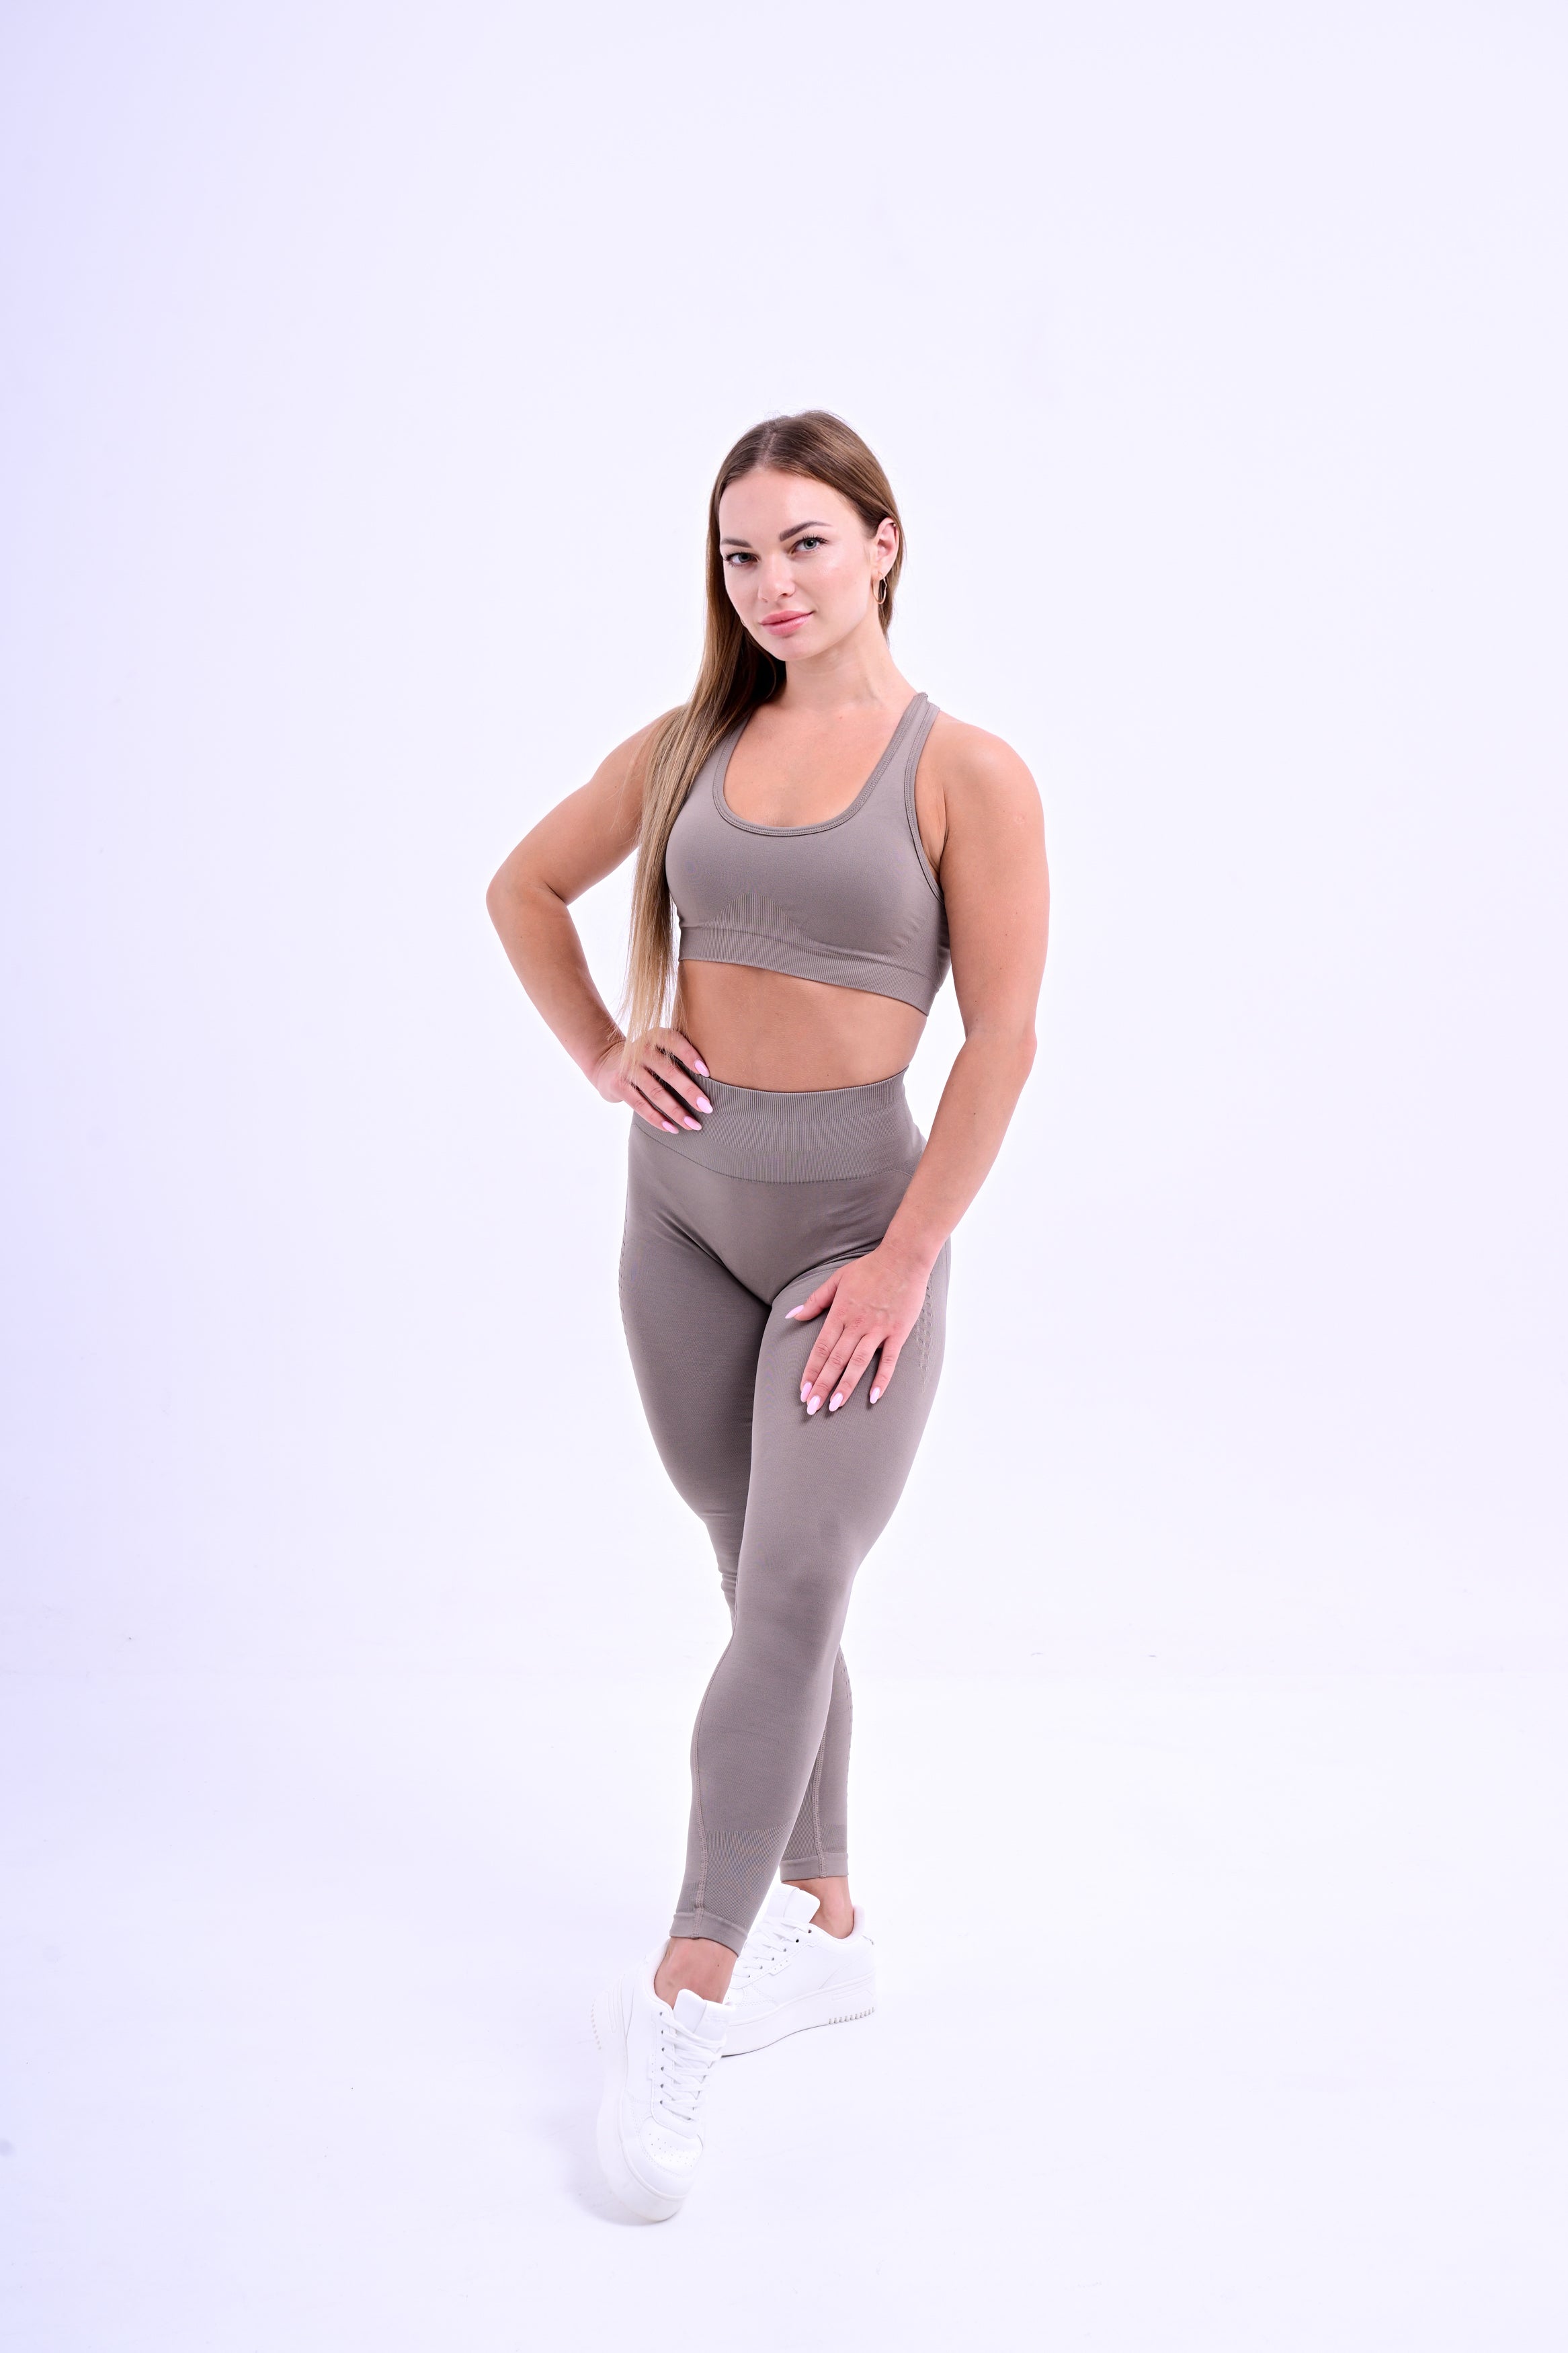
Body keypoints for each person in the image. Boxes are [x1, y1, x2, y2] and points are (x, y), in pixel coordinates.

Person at [486, 411, 1049, 2221]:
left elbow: (1005, 1041)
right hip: (680, 1212)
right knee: (757, 1577)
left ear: (884, 542)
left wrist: (904, 1259)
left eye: (807, 541)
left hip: (853, 1232)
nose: (773, 582)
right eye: (742, 553)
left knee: (795, 1587)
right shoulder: (686, 749)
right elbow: (521, 887)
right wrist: (603, 1047)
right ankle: (832, 1920)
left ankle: (690, 1983)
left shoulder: (966, 771)